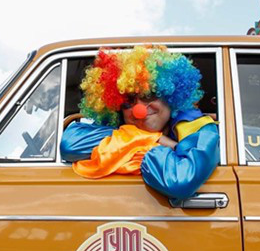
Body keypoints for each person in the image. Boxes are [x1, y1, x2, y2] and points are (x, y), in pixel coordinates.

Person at [60, 45, 219, 202]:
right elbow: (70, 145)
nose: (138, 109)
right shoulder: (117, 126)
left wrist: (130, 147)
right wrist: (152, 140)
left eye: (148, 95)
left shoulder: (199, 128)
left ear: (170, 96)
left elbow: (180, 180)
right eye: (128, 101)